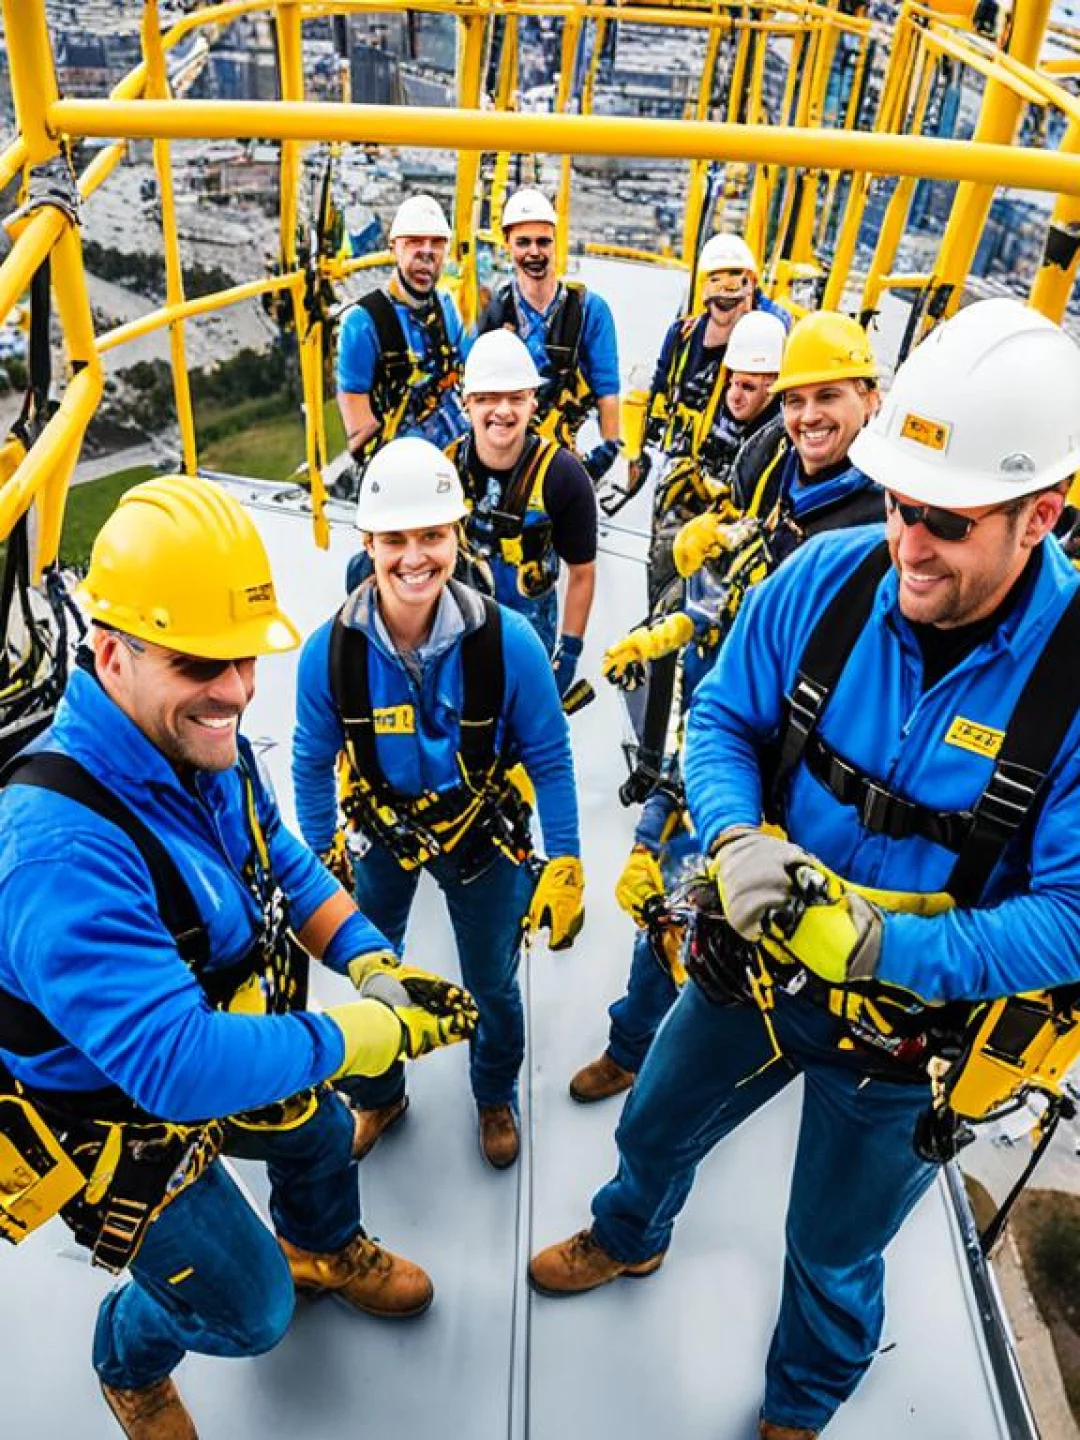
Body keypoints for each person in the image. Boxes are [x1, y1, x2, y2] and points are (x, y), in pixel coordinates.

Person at [529, 298, 1080, 1440]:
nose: (907, 543)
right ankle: (631, 1233)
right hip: (757, 967)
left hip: (905, 1036)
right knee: (654, 1126)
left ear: (1041, 516)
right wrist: (732, 837)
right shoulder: (828, 579)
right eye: (896, 504)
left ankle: (800, 1404)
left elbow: (1072, 918)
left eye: (943, 520)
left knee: (834, 1249)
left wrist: (889, 948)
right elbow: (724, 715)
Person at [0, 475, 477, 1440]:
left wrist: (375, 964)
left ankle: (325, 1247)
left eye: (245, 661)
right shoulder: (58, 851)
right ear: (110, 652)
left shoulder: (196, 745)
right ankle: (128, 1362)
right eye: (199, 664)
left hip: (222, 1033)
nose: (236, 689)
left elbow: (283, 864)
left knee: (318, 1131)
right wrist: (358, 1031)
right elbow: (174, 1067)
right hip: (115, 1120)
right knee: (250, 1312)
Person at [571, 312, 883, 1103]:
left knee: (761, 917)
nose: (808, 416)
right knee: (667, 893)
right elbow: (736, 570)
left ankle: (739, 1061)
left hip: (806, 747)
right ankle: (634, 1044)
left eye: (830, 397)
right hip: (728, 707)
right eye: (795, 398)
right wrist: (672, 618)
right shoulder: (769, 456)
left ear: (872, 400)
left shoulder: (883, 520)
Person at [292, 437, 584, 1172]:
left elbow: (549, 758)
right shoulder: (331, 655)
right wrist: (324, 857)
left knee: (491, 981)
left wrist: (568, 859)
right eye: (395, 539)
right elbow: (310, 760)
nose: (414, 557)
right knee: (371, 975)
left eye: (431, 536)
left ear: (456, 535)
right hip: (383, 837)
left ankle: (492, 1092)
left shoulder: (506, 644)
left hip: (480, 838)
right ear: (368, 543)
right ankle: (378, 1092)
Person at [642, 236, 790, 607]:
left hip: (734, 513)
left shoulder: (768, 342)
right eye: (716, 291)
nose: (725, 304)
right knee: (664, 571)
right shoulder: (685, 337)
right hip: (684, 483)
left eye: (735, 291)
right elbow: (661, 395)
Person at [450, 328, 598, 686]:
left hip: (531, 646)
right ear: (467, 402)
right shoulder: (446, 470)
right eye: (488, 398)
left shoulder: (562, 476)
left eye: (515, 398)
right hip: (456, 639)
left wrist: (570, 651)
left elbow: (582, 572)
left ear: (533, 401)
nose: (502, 411)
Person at [477, 186, 622, 480]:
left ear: (556, 242)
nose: (534, 252)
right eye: (523, 242)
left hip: (565, 457)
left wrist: (607, 455)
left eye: (543, 242)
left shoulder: (589, 311)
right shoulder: (497, 310)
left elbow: (607, 392)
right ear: (507, 243)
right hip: (507, 455)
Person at [336, 193, 470, 490]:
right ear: (394, 247)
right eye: (414, 242)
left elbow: (471, 376)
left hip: (456, 447)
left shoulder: (446, 308)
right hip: (401, 466)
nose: (426, 252)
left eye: (436, 243)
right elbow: (361, 431)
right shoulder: (363, 323)